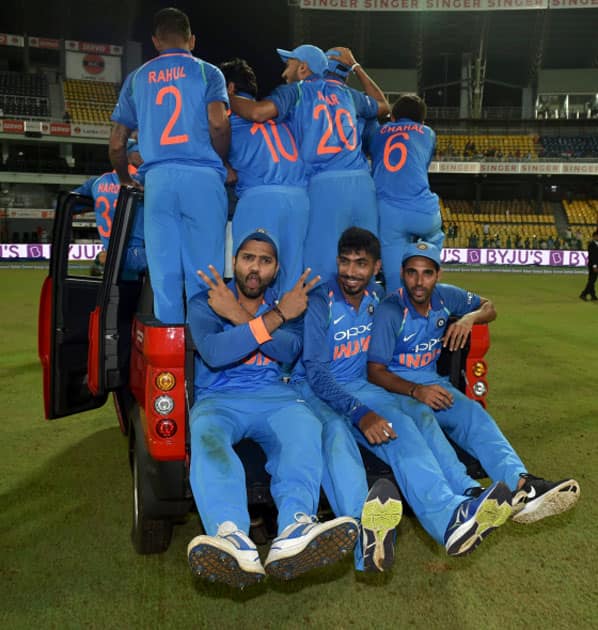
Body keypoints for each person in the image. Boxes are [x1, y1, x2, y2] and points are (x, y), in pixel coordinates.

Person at [292, 227, 515, 565]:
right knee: (336, 438)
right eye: (345, 262)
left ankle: (448, 516)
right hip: (318, 391)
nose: (352, 272)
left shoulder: (378, 300)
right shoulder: (321, 301)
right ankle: (362, 530)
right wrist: (359, 412)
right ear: (337, 261)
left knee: (405, 430)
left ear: (376, 267)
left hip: (362, 386)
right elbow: (316, 371)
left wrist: (460, 323)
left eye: (361, 264)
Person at [185, 229, 358, 588]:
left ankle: (295, 525)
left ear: (276, 269)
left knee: (305, 427)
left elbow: (286, 351)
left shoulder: (288, 304)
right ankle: (230, 535)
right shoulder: (207, 300)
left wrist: (238, 317)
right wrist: (270, 318)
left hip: (275, 395)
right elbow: (215, 353)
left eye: (265, 261)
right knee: (206, 436)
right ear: (234, 262)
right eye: (248, 258)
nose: (255, 268)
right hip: (219, 398)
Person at [368, 241, 581, 524]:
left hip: (434, 382)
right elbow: (375, 371)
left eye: (427, 273)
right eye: (412, 273)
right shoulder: (391, 310)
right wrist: (416, 390)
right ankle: (468, 492)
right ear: (402, 273)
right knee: (424, 420)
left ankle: (523, 486)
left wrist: (470, 317)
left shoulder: (445, 296)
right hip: (397, 388)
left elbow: (490, 308)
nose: (419, 282)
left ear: (438, 274)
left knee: (474, 415)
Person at [109, 7, 230, 324]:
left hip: (158, 179)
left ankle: (170, 361)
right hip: (202, 176)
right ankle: (203, 363)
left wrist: (125, 179)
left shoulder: (137, 78)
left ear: (155, 41)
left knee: (164, 276)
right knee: (205, 275)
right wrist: (224, 162)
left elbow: (117, 143)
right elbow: (218, 124)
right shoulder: (208, 72)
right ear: (192, 40)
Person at [230, 44, 389, 281]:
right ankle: (366, 315)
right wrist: (357, 67)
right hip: (362, 184)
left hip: (325, 185)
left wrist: (224, 98)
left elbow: (257, 113)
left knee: (320, 269)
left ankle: (322, 317)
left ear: (303, 68)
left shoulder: (296, 92)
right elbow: (384, 106)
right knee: (365, 261)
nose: (284, 73)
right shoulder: (346, 94)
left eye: (289, 65)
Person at [220, 58, 309, 294]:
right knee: (291, 281)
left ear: (229, 88)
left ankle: (251, 331)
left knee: (251, 277)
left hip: (260, 197)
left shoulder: (226, 118)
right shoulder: (280, 116)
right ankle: (288, 330)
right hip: (300, 199)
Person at [365, 94, 443, 292]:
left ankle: (394, 307)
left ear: (392, 117)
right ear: (422, 121)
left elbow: (370, 147)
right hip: (423, 211)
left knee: (394, 282)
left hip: (389, 214)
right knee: (435, 234)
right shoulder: (428, 133)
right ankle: (429, 262)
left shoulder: (379, 133)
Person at [74, 139, 146, 276]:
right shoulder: (145, 180)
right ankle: (102, 258)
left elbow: (70, 204)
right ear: (130, 155)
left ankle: (102, 259)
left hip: (113, 258)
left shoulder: (96, 182)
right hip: (137, 256)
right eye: (140, 152)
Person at [579, 228, 598, 301]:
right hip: (593, 265)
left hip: (595, 265)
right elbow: (592, 256)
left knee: (592, 280)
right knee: (592, 280)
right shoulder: (591, 245)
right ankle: (584, 294)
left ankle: (593, 295)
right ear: (594, 237)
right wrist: (595, 266)